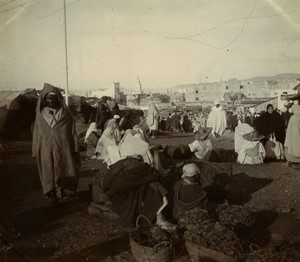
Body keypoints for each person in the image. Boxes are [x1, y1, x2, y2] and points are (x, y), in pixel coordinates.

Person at [32, 83, 80, 205]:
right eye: (48, 99)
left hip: (63, 148)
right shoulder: (40, 115)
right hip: (45, 149)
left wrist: (75, 147)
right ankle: (51, 193)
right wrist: (35, 150)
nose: (51, 101)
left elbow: (73, 131)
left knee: (64, 168)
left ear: (58, 99)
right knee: (48, 170)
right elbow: (37, 133)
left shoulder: (65, 114)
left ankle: (64, 192)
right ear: (44, 100)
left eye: (53, 99)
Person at [102, 154, 172, 228]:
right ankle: (160, 219)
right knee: (154, 185)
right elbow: (156, 174)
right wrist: (155, 154)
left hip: (117, 196)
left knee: (148, 184)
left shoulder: (120, 164)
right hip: (125, 199)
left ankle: (158, 217)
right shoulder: (138, 166)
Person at [284, 99, 300, 165]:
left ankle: (292, 160)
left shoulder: (293, 117)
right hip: (298, 135)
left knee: (292, 147)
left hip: (292, 135)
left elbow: (289, 127)